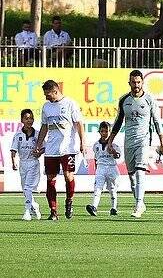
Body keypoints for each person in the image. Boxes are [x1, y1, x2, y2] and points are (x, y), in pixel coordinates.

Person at [107, 69, 163, 218]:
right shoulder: (124, 99)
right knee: (132, 177)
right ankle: (139, 202)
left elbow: (157, 122)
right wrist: (110, 141)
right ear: (129, 83)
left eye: (139, 82)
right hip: (129, 142)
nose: (136, 85)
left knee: (140, 172)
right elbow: (118, 121)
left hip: (143, 141)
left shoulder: (150, 100)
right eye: (133, 82)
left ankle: (139, 204)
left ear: (143, 83)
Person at [33, 79, 87, 221]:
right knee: (50, 179)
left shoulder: (70, 103)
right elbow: (44, 126)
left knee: (68, 176)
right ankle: (53, 211)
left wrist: (83, 142)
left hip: (67, 148)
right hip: (51, 149)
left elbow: (79, 123)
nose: (46, 97)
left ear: (55, 91)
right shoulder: (46, 107)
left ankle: (69, 201)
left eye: (48, 94)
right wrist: (39, 144)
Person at [10, 109, 42, 221]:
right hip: (22, 164)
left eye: (31, 118)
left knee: (28, 187)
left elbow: (44, 147)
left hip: (33, 163)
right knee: (25, 189)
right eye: (26, 118)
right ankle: (34, 205)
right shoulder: (18, 135)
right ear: (22, 120)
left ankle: (27, 211)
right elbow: (13, 150)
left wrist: (39, 153)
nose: (29, 120)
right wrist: (13, 162)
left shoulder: (38, 134)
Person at [86, 121, 121, 216]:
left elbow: (118, 156)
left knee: (112, 189)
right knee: (98, 187)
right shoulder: (96, 145)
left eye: (106, 131)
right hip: (101, 168)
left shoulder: (114, 145)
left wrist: (113, 152)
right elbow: (96, 158)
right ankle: (94, 207)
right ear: (99, 132)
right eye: (102, 131)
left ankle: (114, 208)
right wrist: (97, 170)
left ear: (110, 132)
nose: (104, 133)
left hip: (112, 167)